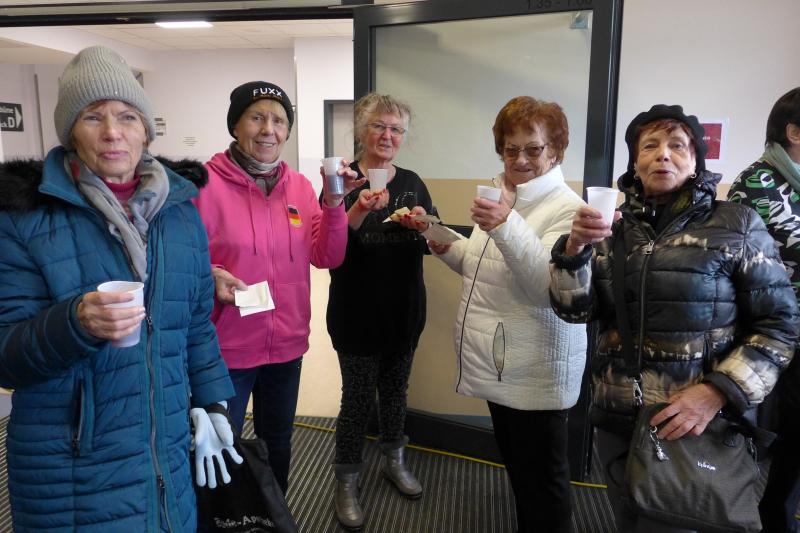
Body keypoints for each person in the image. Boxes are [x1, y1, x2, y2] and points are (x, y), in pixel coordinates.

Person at [0, 45, 235, 531]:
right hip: (74, 467)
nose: (112, 132)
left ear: (146, 130)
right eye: (93, 117)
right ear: (70, 132)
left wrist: (212, 402)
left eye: (127, 116)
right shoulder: (22, 218)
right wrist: (74, 323)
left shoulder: (178, 211)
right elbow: (6, 358)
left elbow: (194, 324)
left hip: (165, 453)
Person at [550, 104, 799, 533]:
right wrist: (573, 252)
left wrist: (718, 391)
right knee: (629, 521)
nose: (663, 154)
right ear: (635, 162)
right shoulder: (613, 229)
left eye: (677, 145)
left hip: (691, 423)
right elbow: (575, 311)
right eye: (649, 146)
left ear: (695, 160)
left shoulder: (735, 223)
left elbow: (779, 325)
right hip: (617, 418)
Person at [426, 96, 587, 533]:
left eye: (533, 149)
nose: (520, 159)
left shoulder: (567, 209)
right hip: (502, 362)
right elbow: (483, 266)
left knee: (544, 484)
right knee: (522, 472)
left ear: (556, 150)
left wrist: (503, 223)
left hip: (536, 367)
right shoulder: (502, 195)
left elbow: (545, 288)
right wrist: (444, 243)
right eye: (510, 149)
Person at [193, 80, 362, 496]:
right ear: (236, 125)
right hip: (226, 347)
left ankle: (274, 516)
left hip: (286, 342)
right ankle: (221, 522)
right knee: (220, 446)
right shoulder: (202, 185)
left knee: (278, 444)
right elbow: (179, 260)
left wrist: (334, 204)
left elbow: (327, 256)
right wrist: (209, 274)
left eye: (279, 121)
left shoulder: (299, 187)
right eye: (257, 118)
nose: (269, 129)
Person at [326, 93, 434, 530]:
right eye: (379, 126)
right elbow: (328, 244)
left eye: (396, 129)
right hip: (355, 310)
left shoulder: (412, 181)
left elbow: (432, 238)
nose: (387, 136)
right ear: (361, 131)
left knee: (394, 392)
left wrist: (423, 222)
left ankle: (394, 460)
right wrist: (357, 207)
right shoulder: (341, 180)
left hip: (404, 309)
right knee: (356, 398)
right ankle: (346, 479)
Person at [727, 87, 800, 533]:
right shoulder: (757, 183)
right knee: (773, 436)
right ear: (794, 132)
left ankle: (776, 510)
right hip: (771, 332)